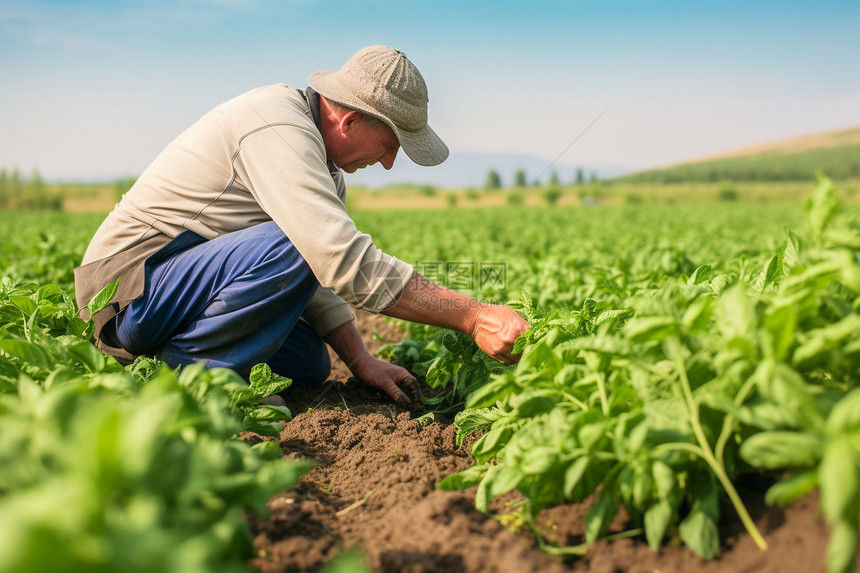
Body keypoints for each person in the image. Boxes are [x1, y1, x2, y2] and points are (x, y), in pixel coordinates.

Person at [75, 45, 530, 408]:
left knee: (309, 365)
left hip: (180, 287)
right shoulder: (276, 124)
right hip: (128, 290)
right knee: (295, 245)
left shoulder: (325, 165)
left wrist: (360, 358)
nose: (389, 163)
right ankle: (186, 380)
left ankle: (173, 360)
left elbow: (316, 273)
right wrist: (473, 315)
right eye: (390, 144)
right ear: (349, 120)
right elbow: (335, 258)